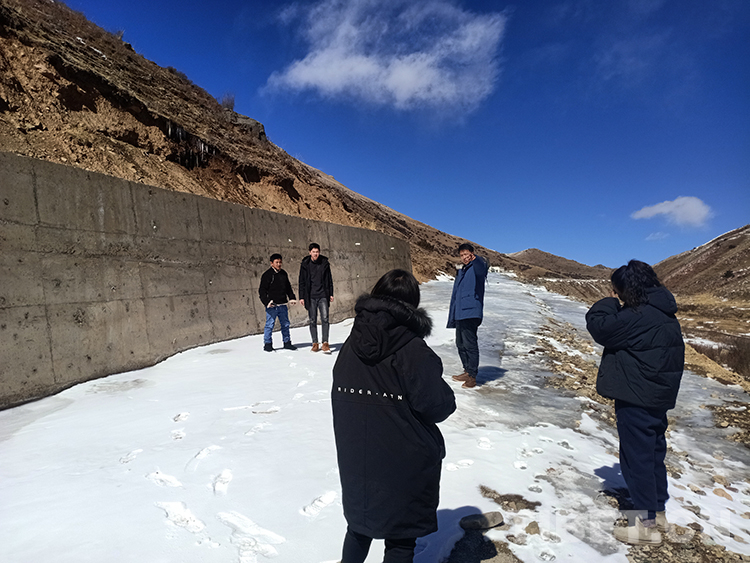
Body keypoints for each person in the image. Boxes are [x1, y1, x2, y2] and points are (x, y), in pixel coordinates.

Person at [332, 269, 456, 563]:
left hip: (357, 457)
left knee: (359, 527)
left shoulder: (350, 344)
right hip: (404, 460)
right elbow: (437, 406)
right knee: (400, 539)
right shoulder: (412, 349)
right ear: (412, 304)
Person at [586, 260, 684, 546]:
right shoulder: (663, 311)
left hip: (636, 395)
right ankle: (657, 512)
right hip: (657, 395)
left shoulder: (637, 315)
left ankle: (645, 526)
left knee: (636, 458)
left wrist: (608, 301)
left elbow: (601, 328)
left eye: (617, 289)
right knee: (652, 453)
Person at [447, 243, 489, 389]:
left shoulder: (478, 267)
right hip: (460, 312)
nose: (464, 257)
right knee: (460, 343)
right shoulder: (463, 270)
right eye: (462, 255)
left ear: (472, 254)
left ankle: (472, 377)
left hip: (471, 312)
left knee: (470, 344)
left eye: (466, 254)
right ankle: (467, 370)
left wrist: (475, 259)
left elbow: (481, 267)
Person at [298, 243, 334, 353]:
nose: (315, 254)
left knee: (325, 319)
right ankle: (315, 343)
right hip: (311, 296)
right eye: (313, 252)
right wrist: (302, 297)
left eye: (317, 252)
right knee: (312, 320)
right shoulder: (305, 264)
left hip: (323, 295)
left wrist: (331, 293)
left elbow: (329, 279)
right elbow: (301, 281)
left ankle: (325, 343)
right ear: (310, 252)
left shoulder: (324, 263)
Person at [258, 253, 298, 352]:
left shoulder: (283, 273)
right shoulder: (267, 275)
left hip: (283, 304)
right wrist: (267, 302)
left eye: (280, 262)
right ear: (271, 263)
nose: (279, 264)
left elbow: (288, 287)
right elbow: (262, 290)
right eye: (277, 262)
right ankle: (267, 344)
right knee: (269, 325)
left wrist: (292, 297)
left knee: (285, 324)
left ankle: (287, 342)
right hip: (272, 305)